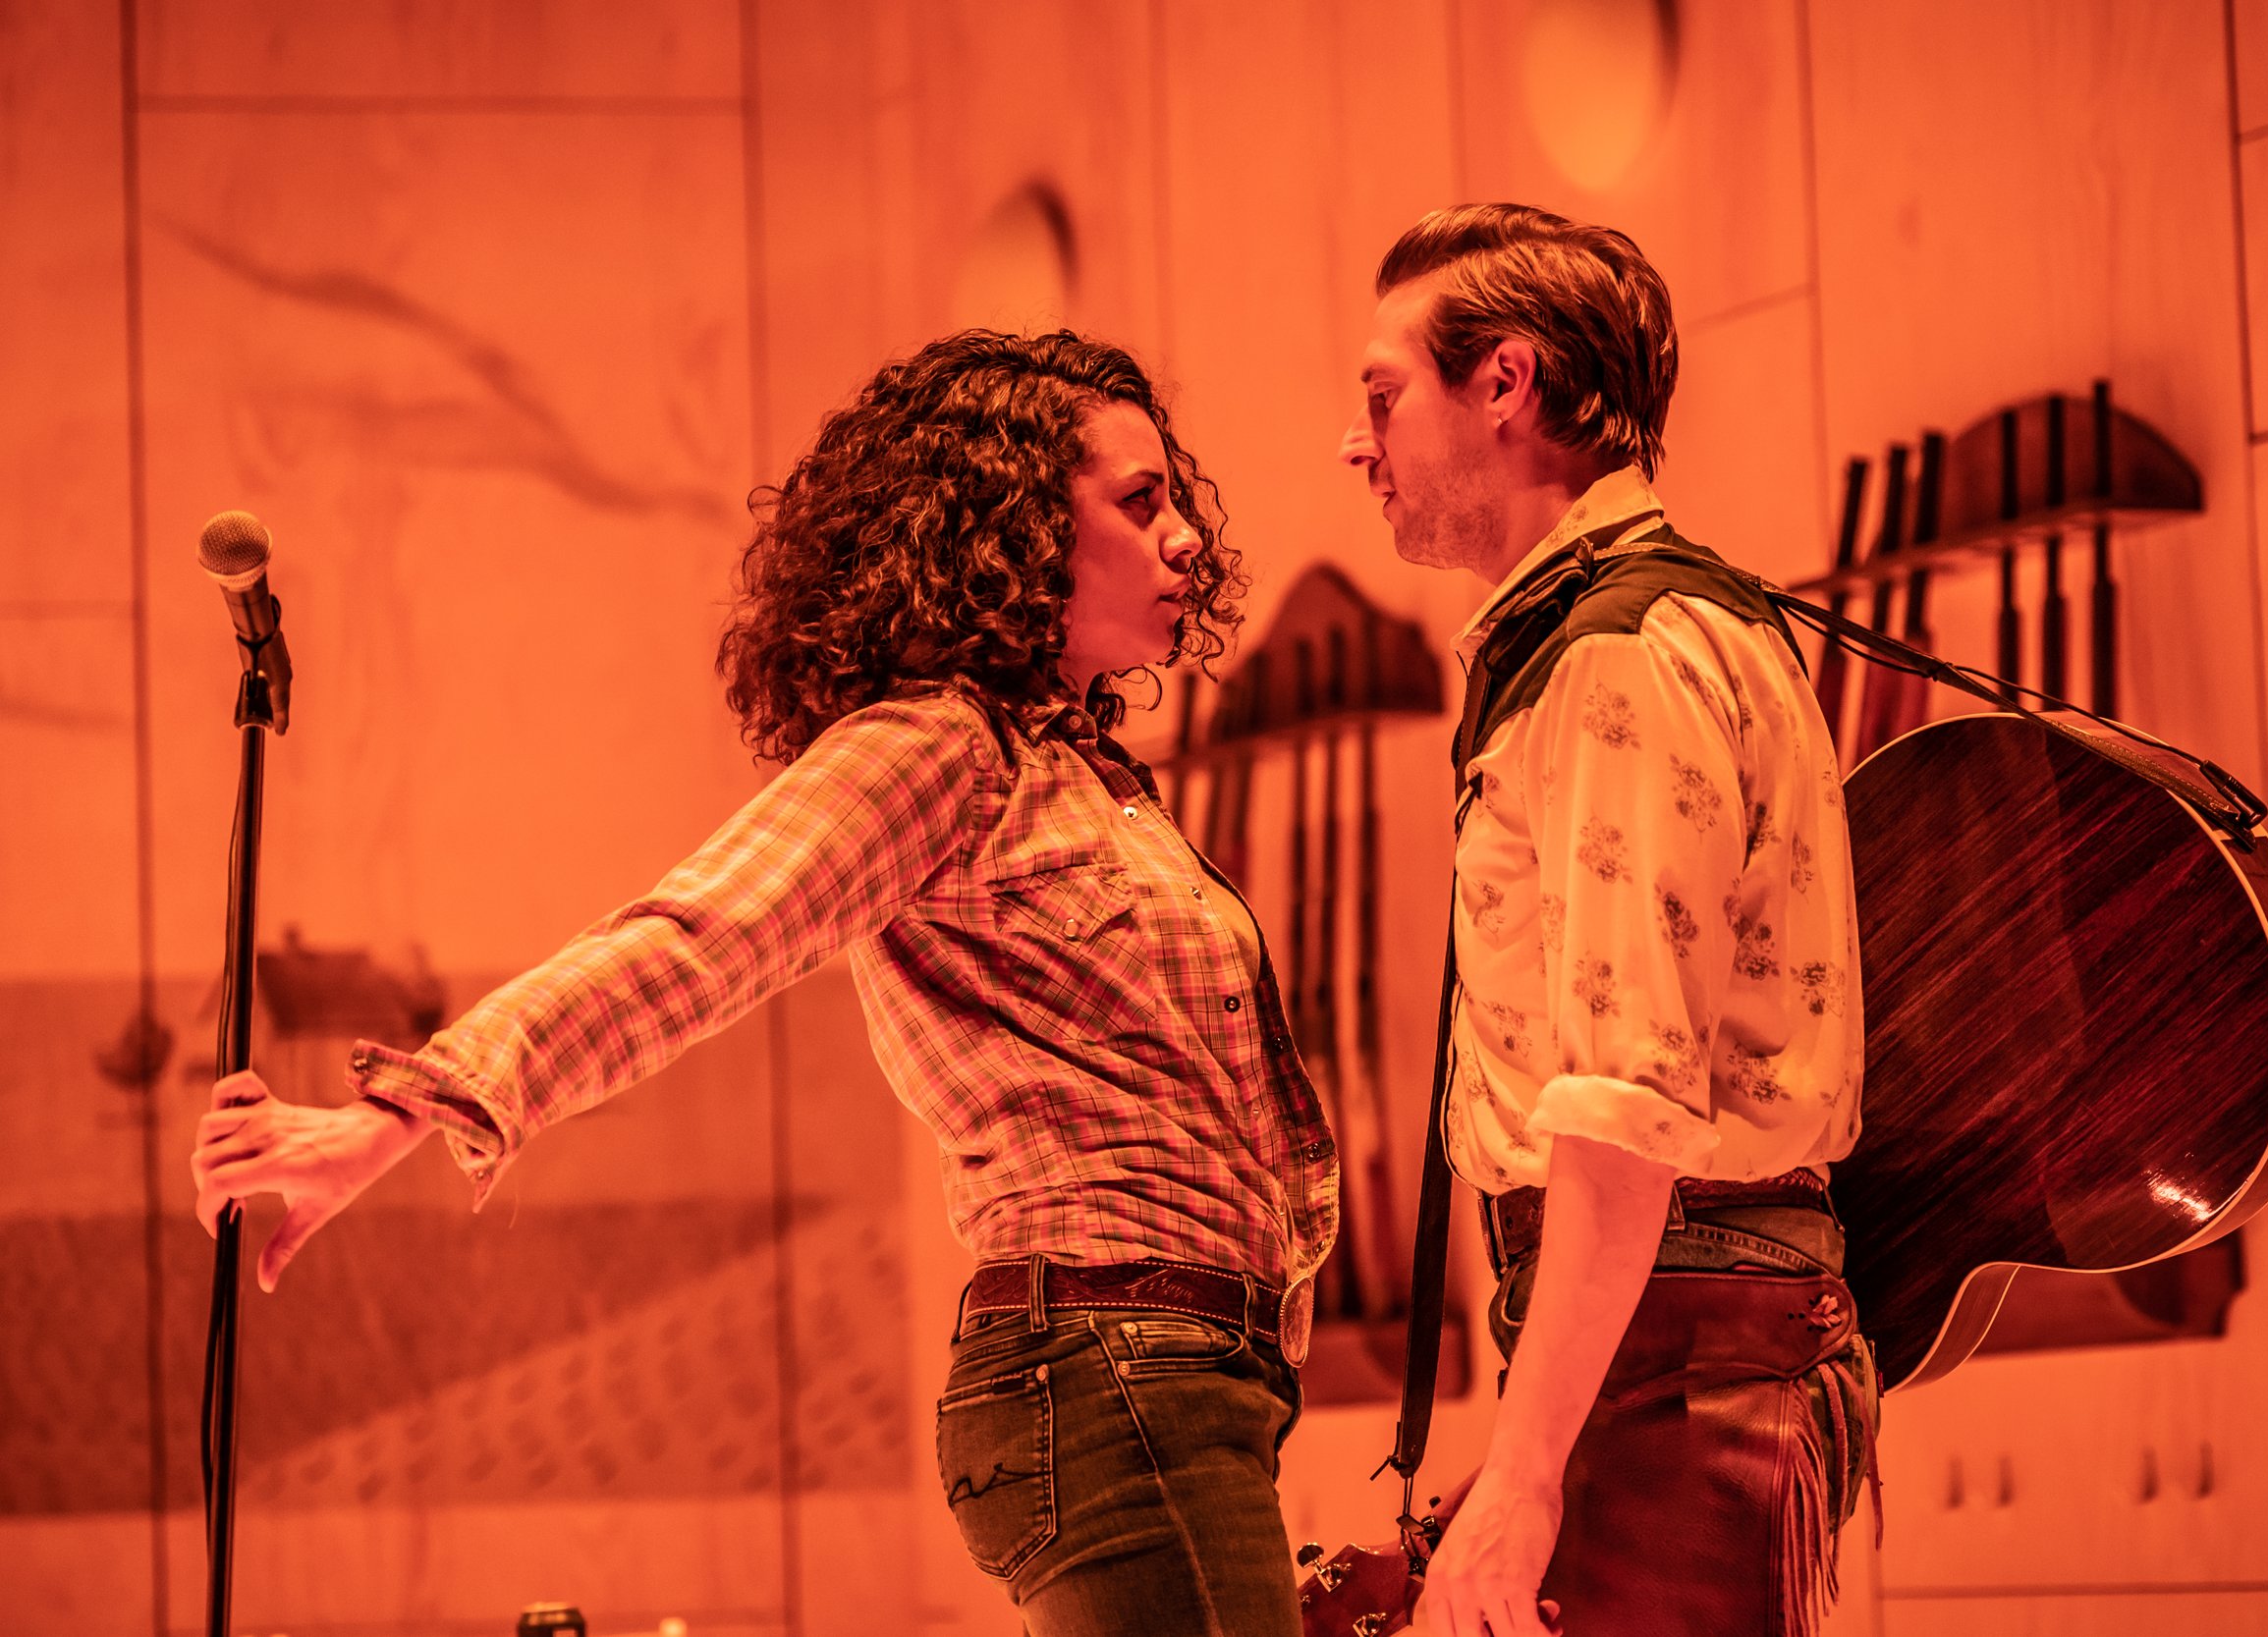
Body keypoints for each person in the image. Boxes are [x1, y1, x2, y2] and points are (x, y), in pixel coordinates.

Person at [191, 329, 1339, 1637]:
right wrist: (407, 1112)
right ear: (1012, 530)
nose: (1187, 534)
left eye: (1177, 497)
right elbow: (699, 938)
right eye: (1141, 503)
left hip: (1175, 1375)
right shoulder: (938, 749)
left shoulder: (1079, 775)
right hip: (1115, 1367)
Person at [1339, 204, 1878, 1636]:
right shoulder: (1643, 632)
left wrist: (1526, 1478)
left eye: (1384, 397)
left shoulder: (1620, 658)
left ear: (1505, 386)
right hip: (1665, 1330)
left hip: (1681, 1335)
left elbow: (1629, 1107)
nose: (1358, 443)